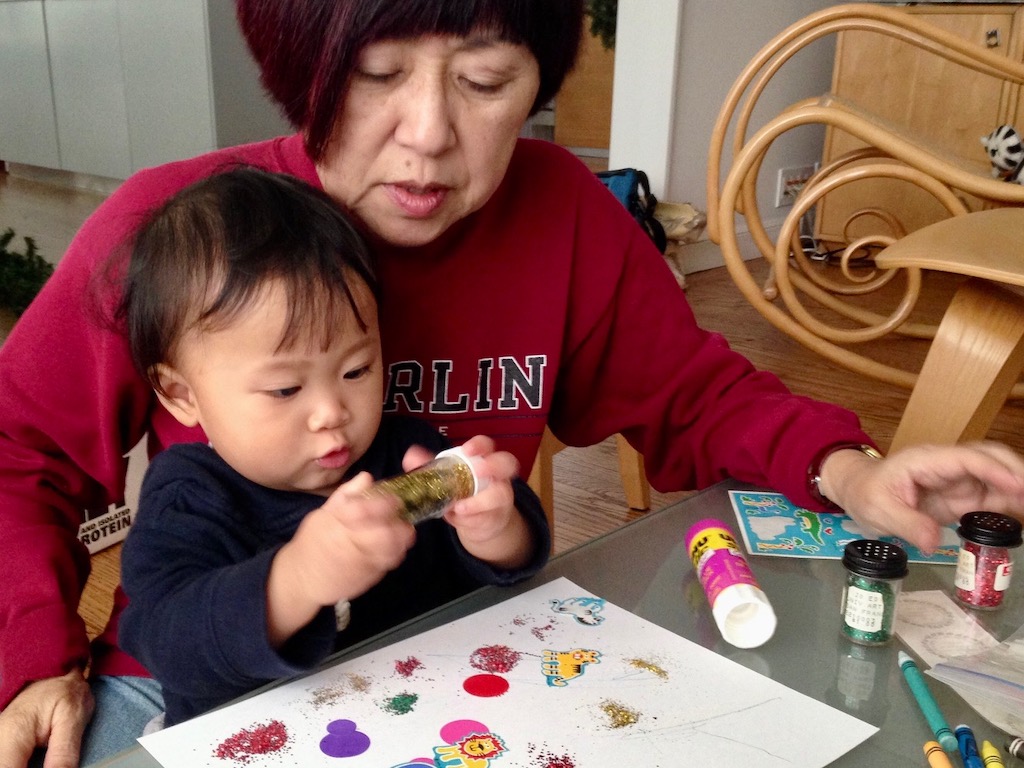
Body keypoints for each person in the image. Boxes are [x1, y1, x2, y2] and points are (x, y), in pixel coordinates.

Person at [1, 0, 1024, 765]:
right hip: (197, 696)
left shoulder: (564, 211)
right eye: (374, 75)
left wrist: (848, 471)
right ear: (301, 73)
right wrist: (36, 654)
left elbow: (693, 398)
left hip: (451, 678)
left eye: (486, 82)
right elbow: (19, 450)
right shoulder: (179, 232)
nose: (430, 134)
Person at [112, 166, 547, 728]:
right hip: (254, 740)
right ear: (181, 394)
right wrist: (296, 579)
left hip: (417, 718)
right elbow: (170, 645)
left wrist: (495, 530)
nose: (332, 412)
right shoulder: (189, 497)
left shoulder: (406, 452)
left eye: (357, 369)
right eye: (286, 388)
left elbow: (514, 562)